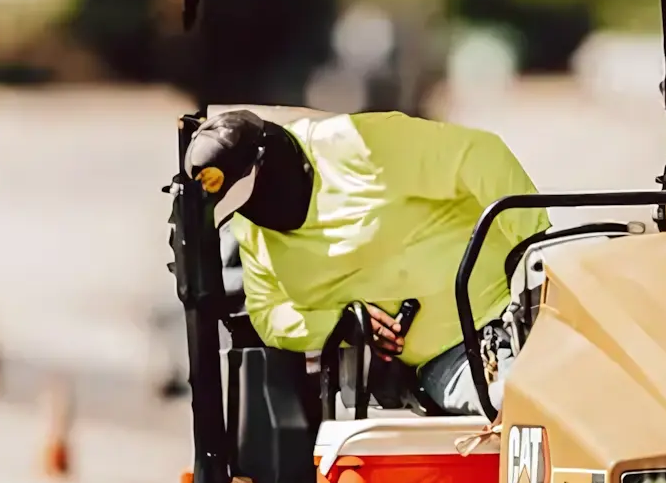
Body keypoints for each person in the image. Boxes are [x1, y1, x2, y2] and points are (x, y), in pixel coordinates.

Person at [185, 108, 549, 415]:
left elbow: (480, 154)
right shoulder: (252, 231)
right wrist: (343, 324)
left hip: (524, 310)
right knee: (522, 405)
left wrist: (535, 258)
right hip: (449, 359)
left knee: (569, 392)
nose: (253, 215)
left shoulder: (356, 146)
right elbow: (269, 314)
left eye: (253, 200)